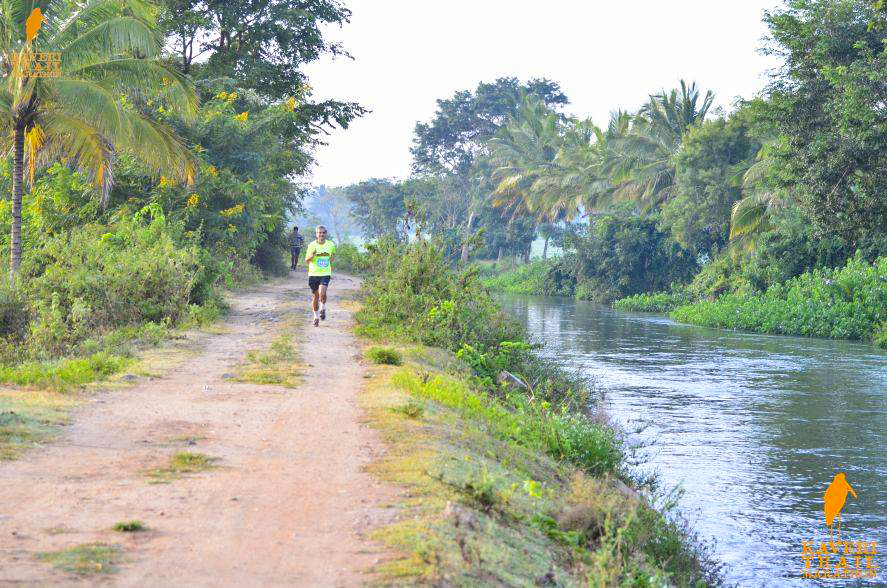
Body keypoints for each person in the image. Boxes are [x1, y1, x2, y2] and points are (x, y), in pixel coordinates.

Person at [304, 225, 336, 327]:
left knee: (322, 293)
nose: (321, 234)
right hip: (313, 274)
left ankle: (323, 308)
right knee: (315, 296)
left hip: (325, 273)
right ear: (316, 234)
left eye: (323, 233)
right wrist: (312, 256)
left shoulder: (331, 245)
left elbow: (332, 257)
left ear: (326, 234)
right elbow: (307, 261)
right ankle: (316, 317)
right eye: (319, 233)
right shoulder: (311, 245)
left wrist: (329, 268)